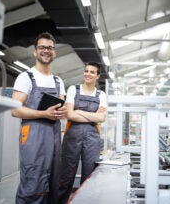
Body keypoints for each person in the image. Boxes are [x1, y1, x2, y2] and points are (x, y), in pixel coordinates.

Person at [11, 32, 67, 204]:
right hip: (33, 136)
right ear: (35, 52)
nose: (46, 51)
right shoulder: (25, 77)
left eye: (50, 48)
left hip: (54, 136)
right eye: (42, 47)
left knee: (53, 182)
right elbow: (14, 110)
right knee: (33, 183)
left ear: (54, 53)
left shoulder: (59, 81)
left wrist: (62, 112)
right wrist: (43, 114)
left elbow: (62, 108)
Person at [58, 61, 107, 204]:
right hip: (72, 135)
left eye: (92, 72)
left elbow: (102, 118)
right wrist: (92, 116)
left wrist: (79, 111)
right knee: (66, 175)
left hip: (92, 138)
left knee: (89, 175)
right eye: (86, 71)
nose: (88, 74)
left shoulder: (101, 94)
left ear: (98, 76)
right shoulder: (74, 89)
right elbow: (70, 115)